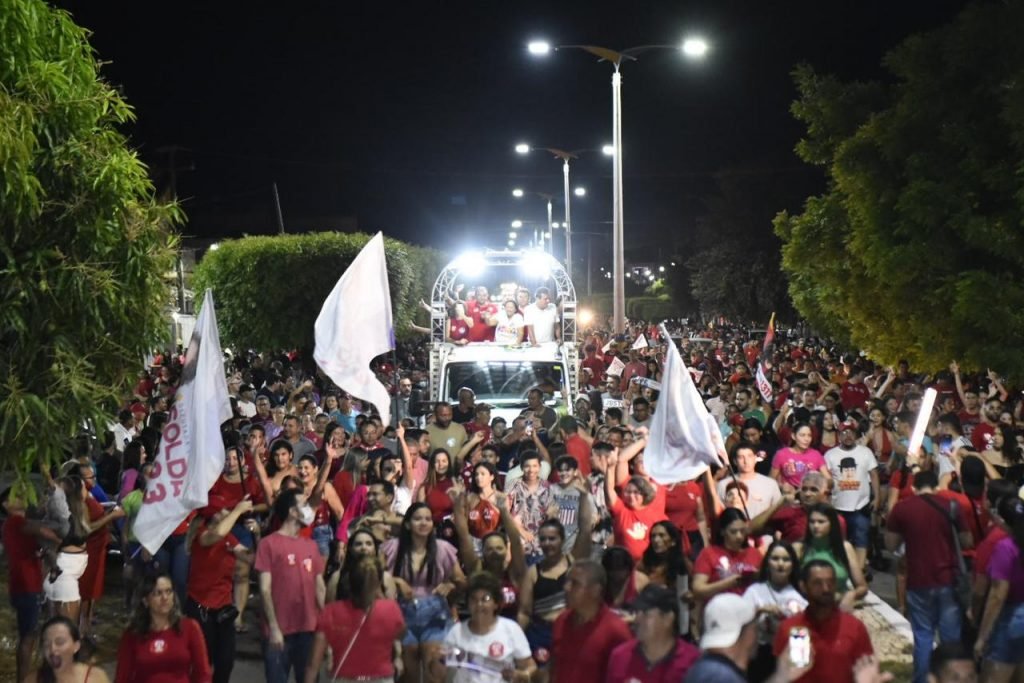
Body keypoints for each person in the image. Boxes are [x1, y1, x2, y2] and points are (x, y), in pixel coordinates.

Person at [886, 469, 973, 683]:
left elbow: (890, 544)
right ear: (936, 487)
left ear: (914, 488)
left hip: (917, 580)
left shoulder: (901, 509)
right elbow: (967, 541)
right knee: (950, 639)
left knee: (923, 637)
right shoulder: (951, 506)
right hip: (947, 579)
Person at [382, 502, 466, 683]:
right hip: (401, 613)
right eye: (418, 518)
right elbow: (375, 576)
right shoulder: (392, 547)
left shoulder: (443, 548)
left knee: (434, 673)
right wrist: (395, 581)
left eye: (428, 519)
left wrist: (450, 585)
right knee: (407, 674)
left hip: (436, 612)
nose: (423, 523)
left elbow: (462, 581)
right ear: (407, 524)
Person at [254, 489, 326, 683]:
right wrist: (274, 627)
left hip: (308, 629)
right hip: (279, 632)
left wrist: (326, 624)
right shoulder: (268, 544)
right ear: (293, 511)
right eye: (304, 504)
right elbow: (264, 589)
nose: (309, 509)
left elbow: (320, 588)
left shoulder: (311, 545)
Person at [185, 497, 256, 683]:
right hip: (201, 609)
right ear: (215, 515)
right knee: (203, 663)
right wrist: (238, 511)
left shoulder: (228, 537)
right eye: (225, 510)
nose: (228, 512)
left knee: (225, 662)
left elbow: (249, 558)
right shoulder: (202, 533)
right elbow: (215, 534)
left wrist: (257, 534)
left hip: (223, 609)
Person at [306, 555, 405, 683]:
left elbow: (313, 664)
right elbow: (400, 635)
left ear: (349, 580)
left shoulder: (330, 612)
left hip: (344, 678)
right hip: (381, 679)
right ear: (379, 582)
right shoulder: (391, 609)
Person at [772, 560, 874, 683]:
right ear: (803, 586)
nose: (826, 589)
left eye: (830, 582)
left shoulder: (854, 628)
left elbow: (867, 673)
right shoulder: (790, 627)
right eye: (817, 583)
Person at [2, 485, 60, 683]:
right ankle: (22, 679)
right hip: (25, 586)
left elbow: (36, 547)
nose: (22, 496)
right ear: (5, 505)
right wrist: (56, 537)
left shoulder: (16, 526)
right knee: (28, 636)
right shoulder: (15, 522)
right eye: (16, 496)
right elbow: (40, 530)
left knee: (32, 633)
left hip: (28, 585)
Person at [440, 572, 536, 682]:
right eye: (474, 599)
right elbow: (441, 673)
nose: (479, 604)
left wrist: (522, 675)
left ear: (496, 603)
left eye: (485, 599)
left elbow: (531, 667)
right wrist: (436, 661)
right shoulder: (456, 632)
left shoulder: (511, 629)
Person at [114, 574, 211, 682]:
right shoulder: (132, 635)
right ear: (145, 600)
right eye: (157, 593)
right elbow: (122, 677)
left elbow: (203, 674)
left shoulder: (190, 628)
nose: (164, 598)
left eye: (168, 591)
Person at [550, 560, 632, 683]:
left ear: (595, 590)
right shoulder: (562, 621)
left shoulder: (615, 630)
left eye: (575, 584)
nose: (566, 588)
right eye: (567, 582)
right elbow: (554, 668)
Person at [604, 584, 701, 682]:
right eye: (637, 612)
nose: (637, 619)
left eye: (646, 614)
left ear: (668, 618)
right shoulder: (620, 657)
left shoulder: (693, 662)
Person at [973, 495, 1024, 682]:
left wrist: (982, 637)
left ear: (1001, 519)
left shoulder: (1005, 548)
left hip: (1011, 621)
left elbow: (997, 595)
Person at [743, 541, 807, 683]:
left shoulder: (801, 600)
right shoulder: (754, 591)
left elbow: (801, 656)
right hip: (757, 660)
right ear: (767, 563)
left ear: (793, 565)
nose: (780, 564)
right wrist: (759, 611)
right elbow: (738, 624)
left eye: (786, 559)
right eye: (775, 558)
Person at [824, 420, 880, 573]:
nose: (847, 436)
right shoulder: (830, 455)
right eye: (844, 432)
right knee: (839, 540)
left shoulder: (865, 452)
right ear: (838, 435)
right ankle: (841, 569)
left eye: (851, 432)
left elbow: (874, 475)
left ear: (856, 434)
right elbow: (826, 479)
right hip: (837, 506)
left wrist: (877, 498)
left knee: (861, 539)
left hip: (861, 505)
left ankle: (859, 570)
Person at [793, 503, 868, 612]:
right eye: (812, 522)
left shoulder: (845, 548)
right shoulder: (799, 549)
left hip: (839, 605)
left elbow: (862, 587)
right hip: (806, 605)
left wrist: (850, 595)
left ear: (832, 524)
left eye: (821, 522)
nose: (815, 526)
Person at [692, 508, 763, 603]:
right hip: (719, 608)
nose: (739, 536)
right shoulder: (708, 554)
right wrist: (727, 584)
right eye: (733, 532)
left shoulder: (754, 554)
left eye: (742, 531)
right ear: (722, 531)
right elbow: (697, 589)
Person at [25, 616, 112, 683]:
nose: (52, 649)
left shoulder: (95, 677)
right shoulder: (33, 679)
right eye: (47, 644)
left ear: (76, 646)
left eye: (60, 642)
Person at [327, 527, 399, 601]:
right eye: (358, 544)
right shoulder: (337, 577)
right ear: (351, 549)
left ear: (375, 549)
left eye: (369, 544)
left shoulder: (385, 578)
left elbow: (391, 609)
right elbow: (330, 609)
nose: (364, 548)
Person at [717, 442, 782, 519]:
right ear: (735, 461)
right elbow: (719, 511)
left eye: (750, 456)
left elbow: (778, 511)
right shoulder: (723, 484)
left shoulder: (770, 484)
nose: (746, 461)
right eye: (741, 457)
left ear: (755, 458)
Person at [770, 422, 829, 490]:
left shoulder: (816, 454)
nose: (806, 439)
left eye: (809, 435)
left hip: (810, 495)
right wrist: (782, 486)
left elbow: (827, 478)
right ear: (793, 436)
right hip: (789, 496)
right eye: (802, 435)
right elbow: (771, 480)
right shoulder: (782, 454)